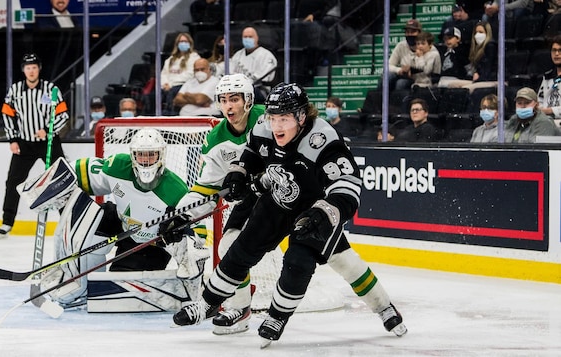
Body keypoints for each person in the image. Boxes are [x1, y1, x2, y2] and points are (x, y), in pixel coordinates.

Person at [171, 83, 407, 346]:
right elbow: (252, 153)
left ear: (301, 116)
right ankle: (208, 303)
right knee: (242, 248)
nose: (277, 126)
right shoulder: (263, 126)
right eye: (274, 118)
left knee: (311, 261)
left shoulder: (323, 140)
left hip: (316, 211)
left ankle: (280, 316)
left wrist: (324, 213)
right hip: (279, 199)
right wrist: (240, 172)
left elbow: (348, 187)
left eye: (284, 119)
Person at [23, 128, 210, 307]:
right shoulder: (118, 166)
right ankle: (76, 279)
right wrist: (50, 184)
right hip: (120, 224)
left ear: (161, 156)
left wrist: (178, 234)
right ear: (132, 155)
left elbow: (198, 232)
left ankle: (98, 282)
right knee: (93, 215)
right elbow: (81, 171)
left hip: (150, 245)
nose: (145, 160)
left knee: (117, 285)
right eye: (140, 155)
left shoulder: (176, 190)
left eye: (151, 154)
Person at [166, 73, 266, 335]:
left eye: (235, 99)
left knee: (331, 254)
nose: (229, 106)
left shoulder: (269, 119)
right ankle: (242, 310)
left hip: (288, 194)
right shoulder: (216, 139)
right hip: (255, 201)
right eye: (223, 100)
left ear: (248, 101)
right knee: (228, 245)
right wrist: (181, 214)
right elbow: (206, 187)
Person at [0, 53, 68, 238]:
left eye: (34, 67)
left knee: (61, 180)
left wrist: (48, 130)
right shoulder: (15, 90)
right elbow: (7, 114)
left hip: (49, 143)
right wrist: (12, 139)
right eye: (28, 67)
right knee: (13, 181)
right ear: (23, 70)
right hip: (24, 144)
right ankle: (7, 221)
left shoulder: (51, 89)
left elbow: (63, 115)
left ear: (39, 69)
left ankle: (68, 219)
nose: (31, 71)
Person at [230, 27, 278, 103]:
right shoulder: (238, 55)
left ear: (257, 38)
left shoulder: (266, 55)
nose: (247, 39)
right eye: (245, 37)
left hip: (259, 91)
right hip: (237, 89)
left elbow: (263, 79)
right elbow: (230, 73)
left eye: (250, 37)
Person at [447, 21, 497, 93]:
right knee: (452, 85)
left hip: (492, 79)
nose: (477, 35)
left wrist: (478, 79)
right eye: (476, 32)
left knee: (466, 89)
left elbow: (487, 69)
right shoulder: (477, 48)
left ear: (487, 33)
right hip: (481, 78)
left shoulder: (490, 46)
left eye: (481, 32)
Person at [161, 33, 201, 115]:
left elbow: (189, 75)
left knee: (172, 92)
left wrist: (171, 84)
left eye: (185, 41)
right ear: (177, 44)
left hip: (183, 85)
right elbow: (164, 74)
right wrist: (165, 84)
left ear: (190, 43)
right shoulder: (171, 59)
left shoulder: (194, 57)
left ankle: (171, 114)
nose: (183, 43)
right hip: (167, 86)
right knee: (153, 95)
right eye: (181, 41)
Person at [382, 19, 423, 91]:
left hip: (419, 79)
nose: (409, 35)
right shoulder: (401, 45)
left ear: (419, 33)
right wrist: (399, 70)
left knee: (401, 83)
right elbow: (387, 66)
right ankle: (382, 101)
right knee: (387, 77)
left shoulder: (426, 47)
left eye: (413, 32)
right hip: (404, 75)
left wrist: (411, 70)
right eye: (407, 32)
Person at [537, 35, 561, 119]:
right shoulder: (547, 76)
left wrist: (549, 111)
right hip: (546, 122)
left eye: (560, 50)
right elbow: (540, 100)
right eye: (554, 50)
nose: (557, 54)